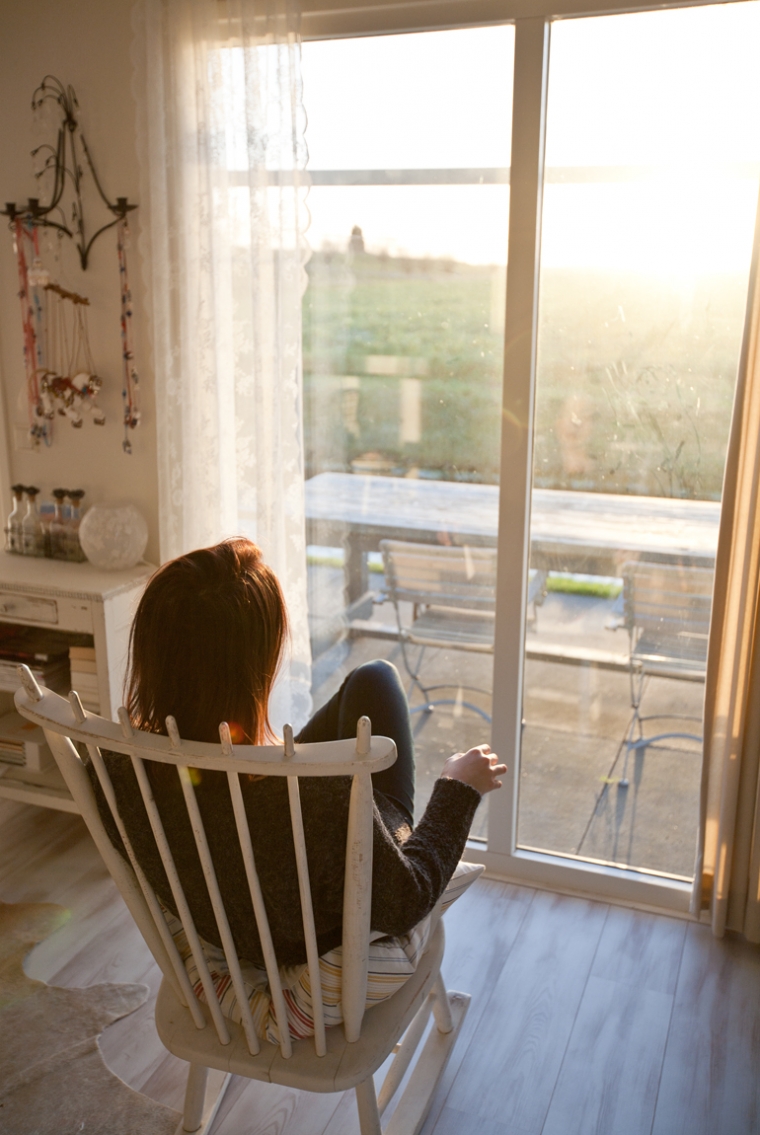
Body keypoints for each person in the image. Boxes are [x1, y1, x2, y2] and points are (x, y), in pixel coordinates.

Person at [89, 538, 505, 969]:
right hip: (296, 933)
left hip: (233, 888)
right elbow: (406, 901)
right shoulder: (321, 798)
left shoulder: (113, 771)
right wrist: (458, 788)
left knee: (370, 680)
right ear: (256, 661)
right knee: (378, 682)